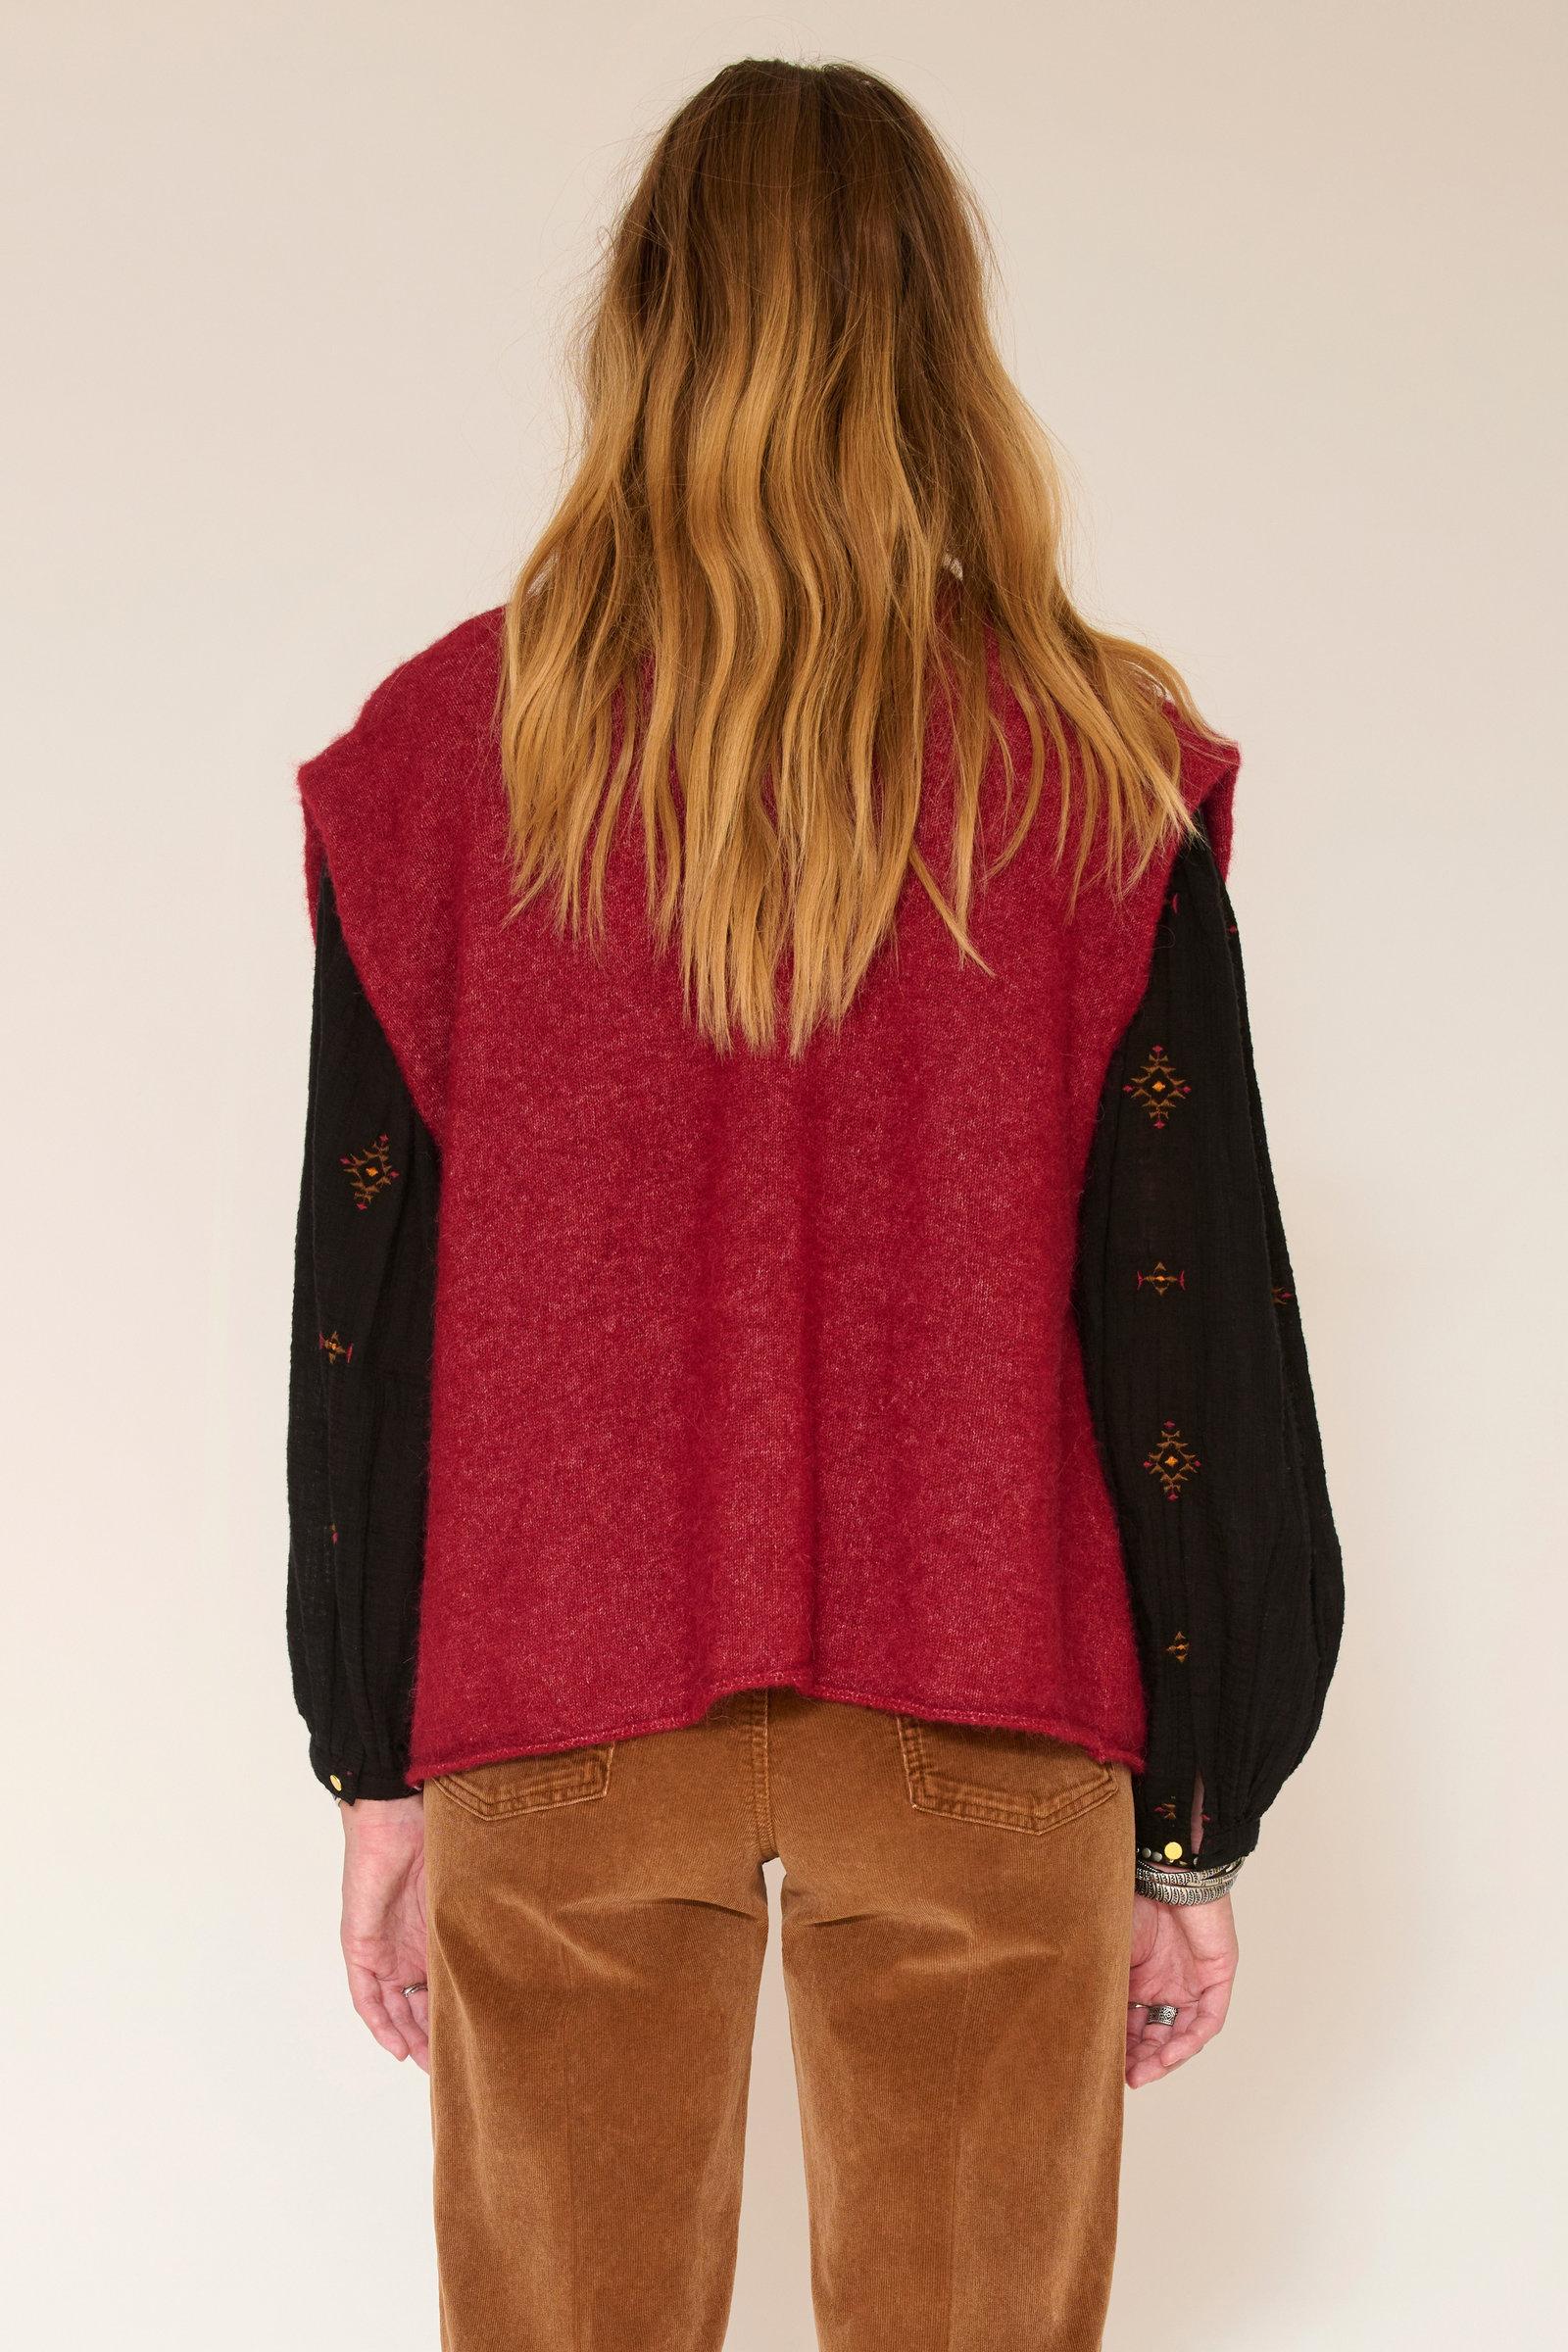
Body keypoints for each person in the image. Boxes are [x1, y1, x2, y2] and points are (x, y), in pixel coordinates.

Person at [286, 56, 1342, 2352]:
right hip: (987, 1710)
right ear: (937, 334)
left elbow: (362, 1300)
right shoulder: (1092, 760)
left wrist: (371, 1758)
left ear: (641, 320)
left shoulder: (442, 758)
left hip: (556, 1710)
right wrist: (1193, 1810)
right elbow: (1184, 1316)